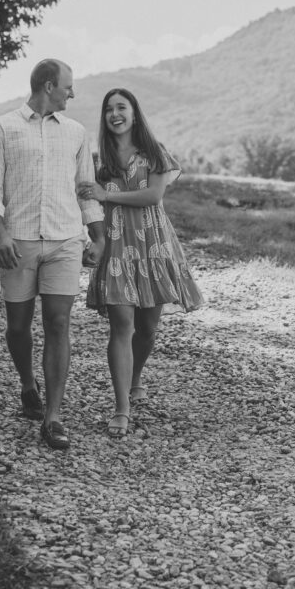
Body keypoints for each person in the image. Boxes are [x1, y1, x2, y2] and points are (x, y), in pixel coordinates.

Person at [0, 59, 105, 451]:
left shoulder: (77, 133)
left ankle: (53, 416)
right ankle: (26, 383)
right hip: (18, 243)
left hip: (66, 241)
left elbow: (86, 188)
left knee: (58, 323)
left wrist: (97, 237)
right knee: (18, 326)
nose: (73, 93)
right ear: (49, 86)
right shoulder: (2, 128)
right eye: (69, 86)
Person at [80, 87, 203, 439]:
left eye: (122, 107)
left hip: (153, 245)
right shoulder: (97, 160)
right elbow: (90, 204)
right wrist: (95, 238)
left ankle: (135, 378)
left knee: (147, 328)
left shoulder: (154, 153)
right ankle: (121, 408)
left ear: (135, 113)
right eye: (108, 109)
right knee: (121, 325)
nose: (115, 114)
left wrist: (108, 195)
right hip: (117, 246)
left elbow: (154, 195)